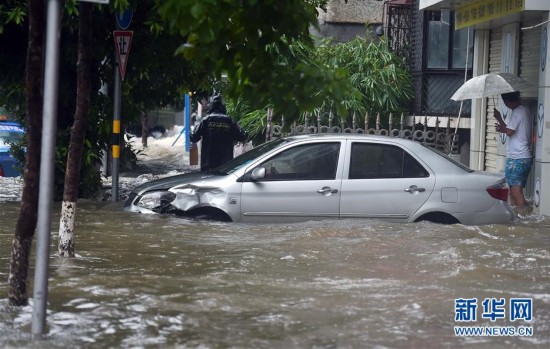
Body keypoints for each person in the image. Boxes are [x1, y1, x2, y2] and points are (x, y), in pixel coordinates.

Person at [494, 91, 533, 215]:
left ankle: (525, 218)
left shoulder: (517, 112)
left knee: (516, 192)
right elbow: (510, 130)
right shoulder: (524, 110)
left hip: (518, 158)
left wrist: (500, 120)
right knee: (513, 192)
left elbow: (509, 132)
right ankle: (521, 215)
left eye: (505, 102)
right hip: (518, 157)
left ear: (508, 101)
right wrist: (501, 123)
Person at [190, 95, 247, 172]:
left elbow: (193, 137)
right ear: (223, 107)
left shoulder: (206, 120)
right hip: (226, 164)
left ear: (211, 106)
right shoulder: (230, 121)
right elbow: (242, 136)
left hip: (208, 164)